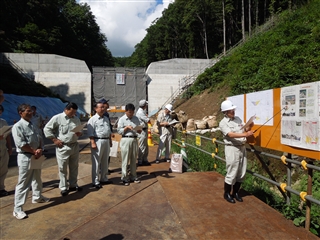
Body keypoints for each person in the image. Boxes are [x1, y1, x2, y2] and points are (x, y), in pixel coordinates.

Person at [12, 104, 50, 220]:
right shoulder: (18, 126)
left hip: (36, 156)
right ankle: (17, 209)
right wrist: (34, 151)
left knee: (37, 178)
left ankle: (37, 196)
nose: (31, 113)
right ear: (21, 113)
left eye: (31, 111)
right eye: (28, 111)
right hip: (26, 157)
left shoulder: (32, 125)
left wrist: (40, 149)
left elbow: (39, 139)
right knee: (24, 183)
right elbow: (21, 144)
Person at [43, 102, 83, 196]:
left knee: (74, 167)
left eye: (75, 112)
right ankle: (64, 187)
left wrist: (79, 133)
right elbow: (47, 129)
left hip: (74, 145)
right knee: (63, 168)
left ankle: (73, 184)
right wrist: (54, 139)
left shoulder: (76, 119)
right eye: (72, 112)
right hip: (63, 146)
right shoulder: (57, 118)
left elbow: (79, 130)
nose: (73, 114)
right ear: (66, 109)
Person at [219, 100, 254, 203]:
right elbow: (230, 134)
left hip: (242, 147)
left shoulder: (238, 119)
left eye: (233, 109)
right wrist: (246, 135)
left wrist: (249, 126)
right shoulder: (223, 123)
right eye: (230, 110)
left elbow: (244, 128)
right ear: (225, 112)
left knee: (241, 172)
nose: (233, 111)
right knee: (232, 172)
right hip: (232, 148)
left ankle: (235, 193)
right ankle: (227, 194)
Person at [87, 102, 113, 189]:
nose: (103, 109)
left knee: (105, 161)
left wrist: (110, 140)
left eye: (103, 107)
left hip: (106, 140)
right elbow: (90, 132)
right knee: (97, 162)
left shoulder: (106, 118)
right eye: (101, 107)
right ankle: (95, 181)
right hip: (97, 141)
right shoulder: (93, 119)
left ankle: (104, 178)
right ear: (96, 109)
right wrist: (92, 142)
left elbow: (108, 130)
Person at [117, 103, 142, 186]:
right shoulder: (122, 119)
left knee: (134, 158)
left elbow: (139, 129)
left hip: (134, 139)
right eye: (129, 112)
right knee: (125, 159)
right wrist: (126, 128)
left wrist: (139, 130)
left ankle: (133, 175)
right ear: (126, 111)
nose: (131, 114)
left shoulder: (136, 119)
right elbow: (119, 131)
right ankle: (124, 177)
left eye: (132, 112)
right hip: (126, 139)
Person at [0, 105, 13, 196]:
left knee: (3, 169)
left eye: (0, 111)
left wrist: (9, 147)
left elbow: (7, 135)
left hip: (2, 148)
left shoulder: (3, 122)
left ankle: (1, 188)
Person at [99, 98, 114, 174]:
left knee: (107, 153)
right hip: (102, 138)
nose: (107, 105)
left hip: (107, 136)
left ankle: (105, 168)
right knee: (103, 154)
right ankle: (102, 169)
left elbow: (108, 125)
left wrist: (111, 132)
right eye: (105, 103)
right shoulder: (103, 114)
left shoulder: (106, 113)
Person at [136, 99, 150, 166]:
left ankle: (145, 159)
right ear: (144, 105)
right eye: (146, 104)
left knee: (145, 145)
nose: (146, 106)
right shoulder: (140, 112)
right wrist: (148, 117)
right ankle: (140, 160)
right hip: (142, 130)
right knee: (142, 145)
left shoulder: (142, 111)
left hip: (144, 129)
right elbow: (147, 120)